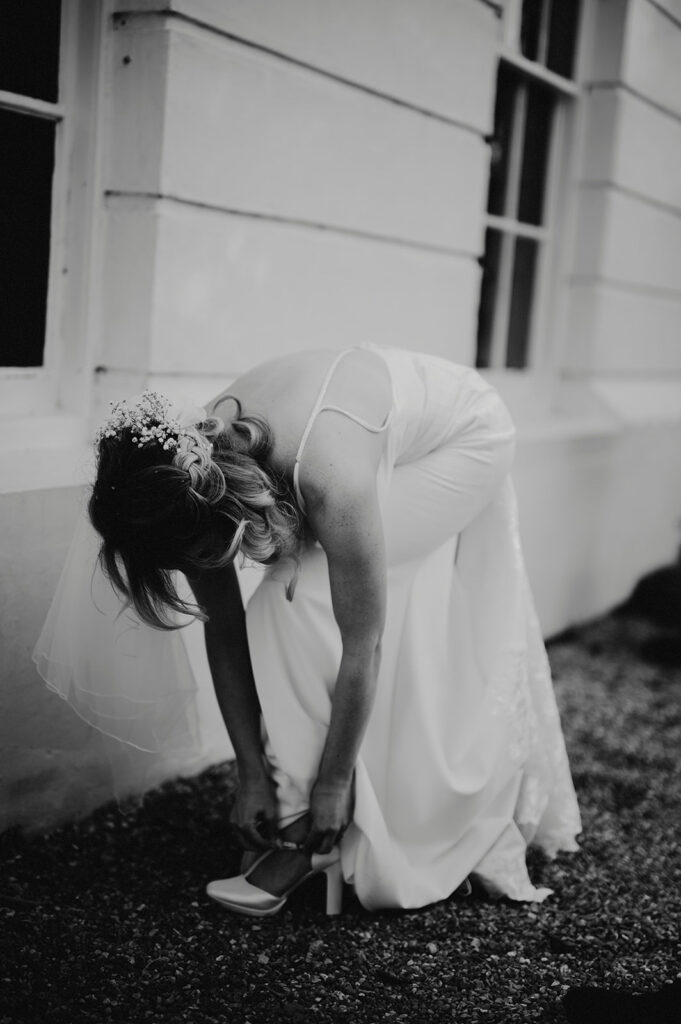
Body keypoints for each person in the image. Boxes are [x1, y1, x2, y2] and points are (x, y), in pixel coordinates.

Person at [34, 343, 581, 914]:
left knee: (302, 600)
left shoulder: (325, 476)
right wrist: (249, 773)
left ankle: (303, 838)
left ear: (217, 512)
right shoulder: (178, 477)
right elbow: (223, 632)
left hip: (465, 439)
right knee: (290, 595)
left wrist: (332, 785)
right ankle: (299, 809)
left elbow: (361, 643)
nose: (194, 568)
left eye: (195, 553)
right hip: (364, 426)